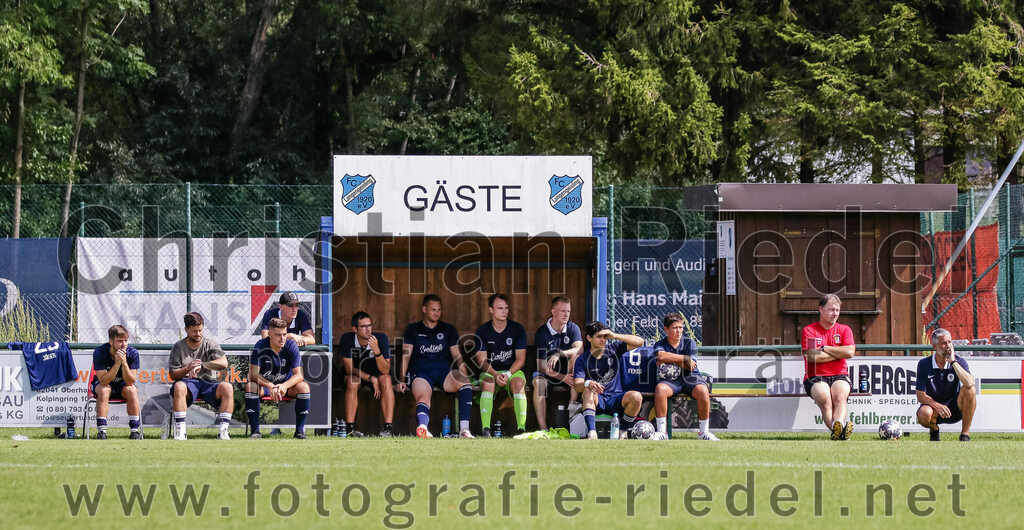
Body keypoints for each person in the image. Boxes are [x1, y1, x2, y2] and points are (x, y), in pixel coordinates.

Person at [396, 294, 474, 438]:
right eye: (433, 309)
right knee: (423, 397)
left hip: (443, 372)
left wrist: (465, 376)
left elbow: (457, 356)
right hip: (421, 372)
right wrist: (401, 380)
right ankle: (423, 428)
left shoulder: (448, 329)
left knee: (465, 384)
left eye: (439, 310)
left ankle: (464, 430)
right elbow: (405, 356)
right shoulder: (413, 329)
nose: (436, 313)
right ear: (424, 309)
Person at [652, 313, 718, 441]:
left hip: (690, 378)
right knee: (660, 389)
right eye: (675, 328)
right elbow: (660, 356)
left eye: (681, 327)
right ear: (666, 329)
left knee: (703, 391)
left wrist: (670, 358)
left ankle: (704, 433)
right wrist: (684, 358)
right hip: (671, 380)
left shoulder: (689, 343)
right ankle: (661, 432)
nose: (679, 331)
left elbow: (690, 367)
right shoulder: (659, 344)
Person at [169, 312, 234, 440]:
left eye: (200, 330)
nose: (198, 334)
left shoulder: (211, 344)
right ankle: (181, 432)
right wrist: (188, 368)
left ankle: (223, 432)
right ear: (186, 329)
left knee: (227, 387)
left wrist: (203, 366)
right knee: (179, 387)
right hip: (188, 382)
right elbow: (173, 374)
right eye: (194, 331)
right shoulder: (178, 347)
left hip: (209, 382)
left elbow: (224, 362)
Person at [574, 321, 645, 439]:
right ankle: (592, 433)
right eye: (599, 336)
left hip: (615, 398)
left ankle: (622, 432)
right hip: (597, 399)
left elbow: (640, 342)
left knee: (636, 396)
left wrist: (615, 335)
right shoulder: (582, 359)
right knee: (588, 390)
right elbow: (577, 385)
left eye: (605, 336)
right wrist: (588, 383)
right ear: (589, 338)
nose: (603, 340)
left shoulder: (614, 349)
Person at [801, 294, 856, 440]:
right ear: (821, 309)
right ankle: (840, 430)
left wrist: (825, 348)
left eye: (837, 310)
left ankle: (837, 427)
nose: (835, 313)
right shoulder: (810, 330)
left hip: (840, 374)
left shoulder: (844, 330)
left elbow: (850, 352)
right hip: (815, 376)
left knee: (840, 396)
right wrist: (839, 353)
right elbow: (812, 357)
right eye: (831, 309)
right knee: (825, 399)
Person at [473, 294, 529, 436]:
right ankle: (486, 429)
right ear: (491, 310)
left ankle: (521, 429)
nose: (504, 311)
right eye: (500, 308)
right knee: (488, 382)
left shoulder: (517, 329)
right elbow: (482, 361)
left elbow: (521, 359)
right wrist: (496, 374)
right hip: (491, 372)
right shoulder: (482, 331)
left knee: (518, 384)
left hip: (512, 371)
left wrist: (508, 374)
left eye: (506, 308)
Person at [245, 317, 311, 439]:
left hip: (286, 387)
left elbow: (300, 375)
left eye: (284, 334)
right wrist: (270, 385)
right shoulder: (260, 346)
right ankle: (255, 432)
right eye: (278, 335)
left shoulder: (291, 345)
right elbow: (252, 374)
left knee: (304, 386)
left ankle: (300, 432)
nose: (282, 338)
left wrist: (284, 386)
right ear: (269, 334)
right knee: (251, 386)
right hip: (266, 387)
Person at [338, 311, 394, 437]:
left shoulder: (380, 338)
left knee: (386, 380)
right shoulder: (347, 339)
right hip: (357, 375)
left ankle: (388, 429)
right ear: (355, 329)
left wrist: (377, 350)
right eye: (363, 327)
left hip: (378, 374)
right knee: (352, 382)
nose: (368, 329)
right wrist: (371, 379)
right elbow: (349, 369)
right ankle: (350, 429)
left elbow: (385, 369)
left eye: (370, 325)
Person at [532, 296, 583, 430]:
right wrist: (562, 377)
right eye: (562, 311)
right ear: (553, 311)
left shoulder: (572, 328)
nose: (566, 314)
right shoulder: (542, 333)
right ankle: (543, 428)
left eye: (568, 311)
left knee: (577, 358)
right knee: (539, 383)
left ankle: (572, 405)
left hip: (568, 372)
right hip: (548, 373)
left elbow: (580, 348)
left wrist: (560, 353)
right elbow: (541, 366)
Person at [916, 328, 976, 442]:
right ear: (934, 347)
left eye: (949, 342)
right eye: (943, 343)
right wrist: (937, 405)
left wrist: (953, 362)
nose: (948, 346)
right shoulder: (924, 364)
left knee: (971, 390)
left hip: (955, 408)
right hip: (934, 409)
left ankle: (965, 435)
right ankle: (934, 430)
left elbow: (970, 383)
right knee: (924, 414)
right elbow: (920, 395)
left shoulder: (959, 361)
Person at [91, 325, 142, 440]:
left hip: (122, 385)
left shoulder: (133, 353)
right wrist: (117, 364)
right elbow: (103, 381)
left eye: (126, 341)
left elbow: (131, 381)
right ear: (110, 341)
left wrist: (124, 363)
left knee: (132, 389)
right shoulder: (99, 352)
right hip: (102, 384)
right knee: (104, 390)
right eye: (119, 341)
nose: (124, 344)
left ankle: (134, 431)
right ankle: (102, 431)